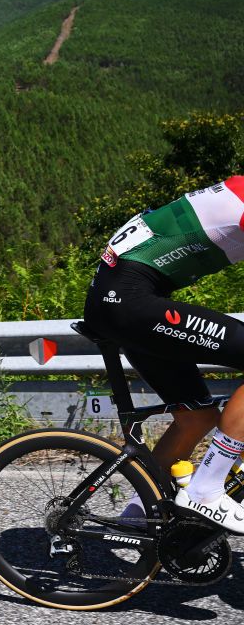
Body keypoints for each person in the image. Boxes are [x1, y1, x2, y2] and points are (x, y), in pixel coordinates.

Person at [84, 175, 244, 533]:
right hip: (128, 301)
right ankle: (205, 489)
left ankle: (141, 516)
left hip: (123, 301)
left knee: (196, 417)